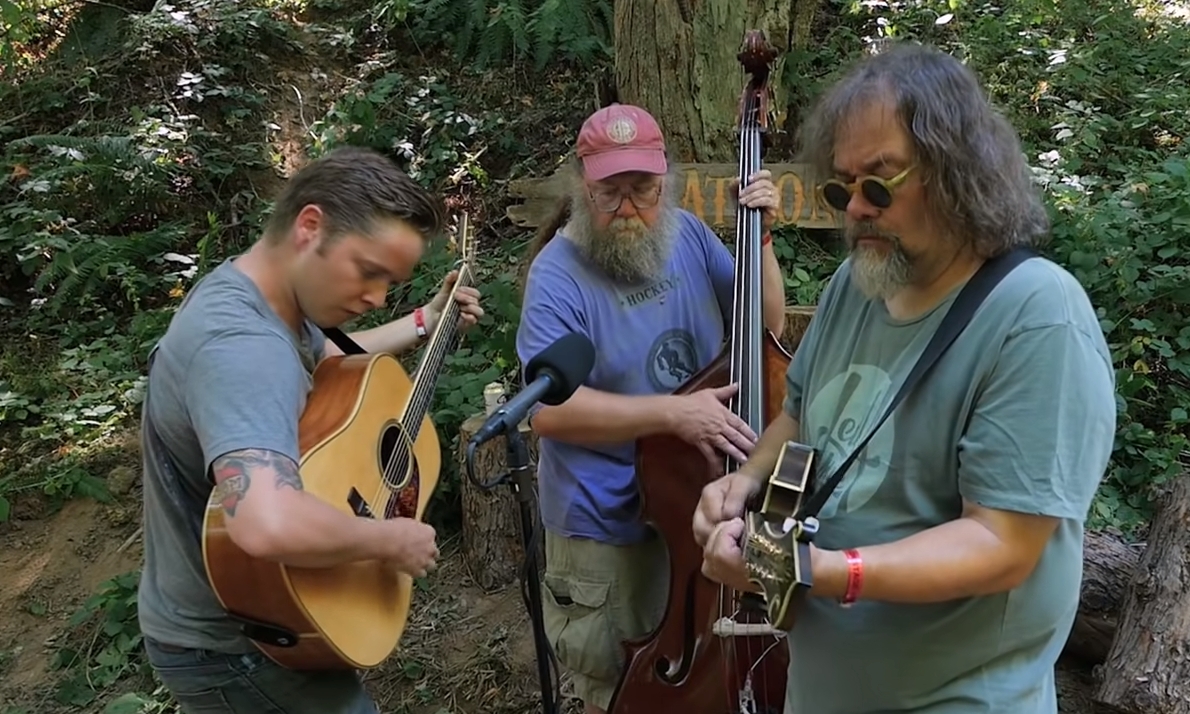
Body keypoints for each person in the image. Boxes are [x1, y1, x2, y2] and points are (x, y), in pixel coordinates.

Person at [693, 41, 1117, 714]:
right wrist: (741, 485)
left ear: (956, 172)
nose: (855, 207)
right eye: (842, 185)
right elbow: (798, 420)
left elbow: (1002, 545)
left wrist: (825, 572)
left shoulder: (1037, 316)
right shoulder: (852, 288)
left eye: (879, 181)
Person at [135, 145, 485, 714]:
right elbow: (266, 525)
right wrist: (388, 539)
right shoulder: (243, 348)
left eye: (390, 282)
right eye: (369, 272)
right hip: (236, 647)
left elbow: (330, 366)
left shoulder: (265, 303)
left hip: (264, 622)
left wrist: (425, 320)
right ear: (310, 226)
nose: (375, 298)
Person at [515, 103, 787, 714]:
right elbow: (548, 414)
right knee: (622, 689)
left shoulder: (686, 233)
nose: (630, 207)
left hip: (694, 505)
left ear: (666, 179)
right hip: (609, 528)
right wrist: (671, 414)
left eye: (644, 188)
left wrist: (761, 237)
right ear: (582, 188)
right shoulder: (558, 275)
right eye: (610, 193)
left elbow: (765, 323)